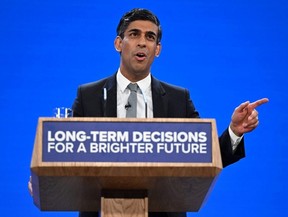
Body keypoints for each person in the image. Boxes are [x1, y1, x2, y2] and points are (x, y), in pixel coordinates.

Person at [29, 8, 268, 217]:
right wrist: (49, 180)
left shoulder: (178, 99)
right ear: (118, 43)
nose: (142, 42)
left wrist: (234, 132)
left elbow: (206, 156)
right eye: (134, 34)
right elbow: (70, 154)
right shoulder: (88, 95)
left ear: (157, 49)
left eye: (150, 37)